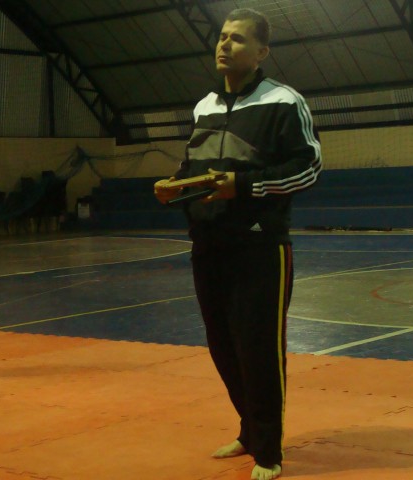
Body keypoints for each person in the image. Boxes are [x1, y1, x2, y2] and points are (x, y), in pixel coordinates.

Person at [154, 8, 321, 480]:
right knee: (223, 347)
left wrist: (244, 187)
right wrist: (175, 187)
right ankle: (249, 430)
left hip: (259, 247)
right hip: (208, 246)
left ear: (262, 52)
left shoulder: (284, 101)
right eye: (223, 37)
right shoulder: (204, 106)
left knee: (259, 350)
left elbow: (308, 169)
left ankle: (268, 451)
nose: (225, 45)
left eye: (238, 39)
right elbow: (195, 168)